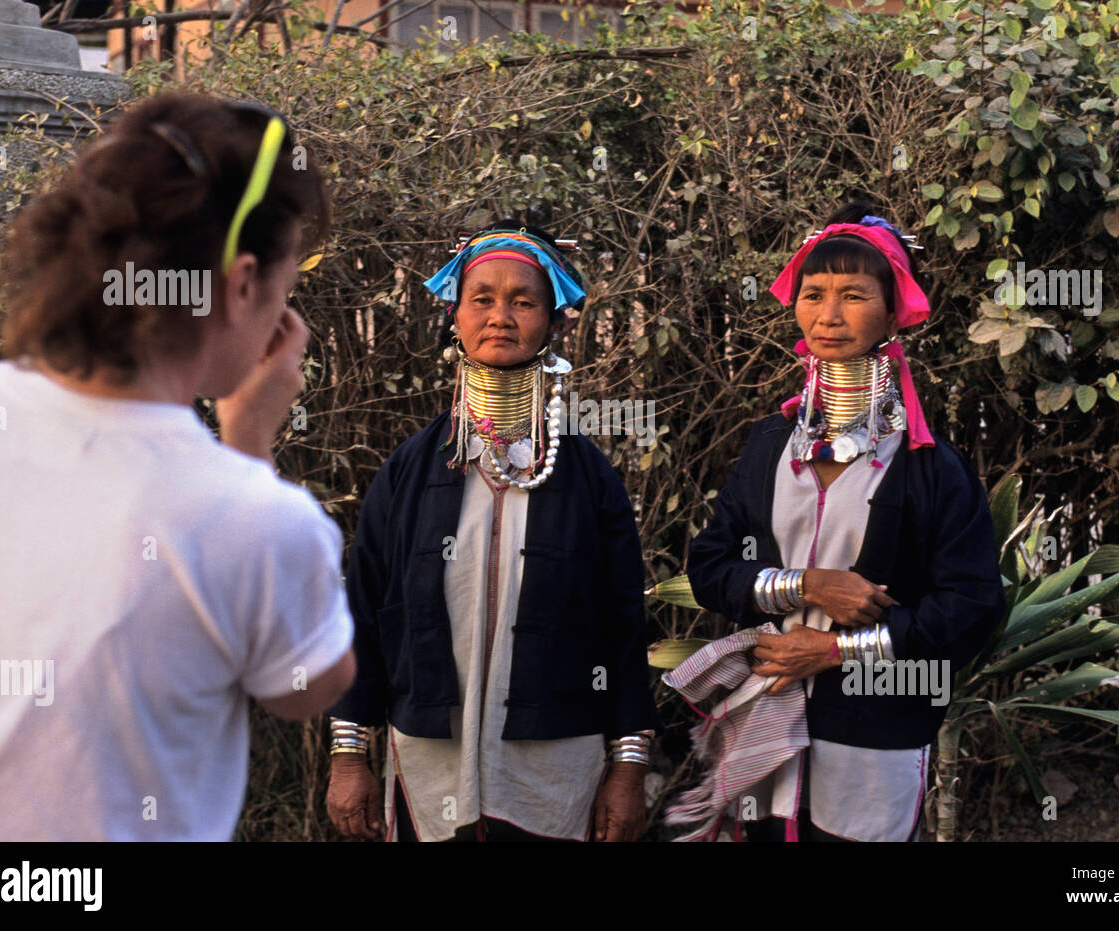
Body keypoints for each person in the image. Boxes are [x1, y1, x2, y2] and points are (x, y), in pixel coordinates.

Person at [0, 93, 356, 841]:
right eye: (284, 288)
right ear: (240, 285)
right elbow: (307, 686)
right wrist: (249, 450)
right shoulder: (256, 516)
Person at [675, 202, 1006, 842]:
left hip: (874, 739)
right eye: (813, 294)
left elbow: (970, 609)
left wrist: (835, 651)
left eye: (853, 295)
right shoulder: (770, 444)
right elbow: (712, 567)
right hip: (766, 719)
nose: (828, 315)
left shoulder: (929, 465)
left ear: (892, 309)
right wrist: (807, 586)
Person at [325, 220, 661, 842]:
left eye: (523, 301)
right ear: (455, 317)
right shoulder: (409, 470)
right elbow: (364, 613)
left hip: (555, 763)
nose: (500, 316)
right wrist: (349, 754)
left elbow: (623, 629)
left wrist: (629, 767)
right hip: (430, 761)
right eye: (482, 298)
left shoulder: (587, 479)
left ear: (556, 323)